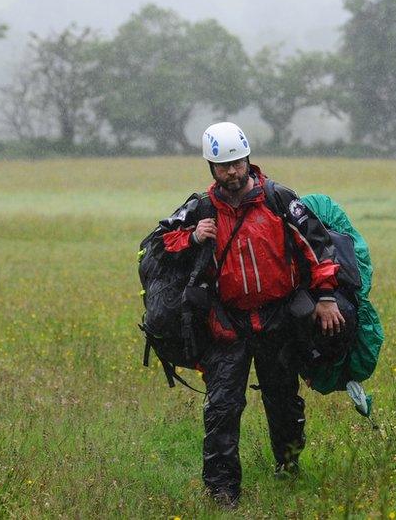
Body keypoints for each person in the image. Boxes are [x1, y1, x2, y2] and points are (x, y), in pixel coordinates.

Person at [158, 121, 354, 508]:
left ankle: (288, 467)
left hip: (278, 320)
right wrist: (194, 236)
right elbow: (161, 241)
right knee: (222, 408)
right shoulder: (199, 208)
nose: (232, 171)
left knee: (283, 402)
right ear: (210, 168)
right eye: (223, 165)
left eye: (237, 162)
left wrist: (327, 297)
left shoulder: (279, 199)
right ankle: (222, 493)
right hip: (226, 325)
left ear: (248, 158)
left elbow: (318, 246)